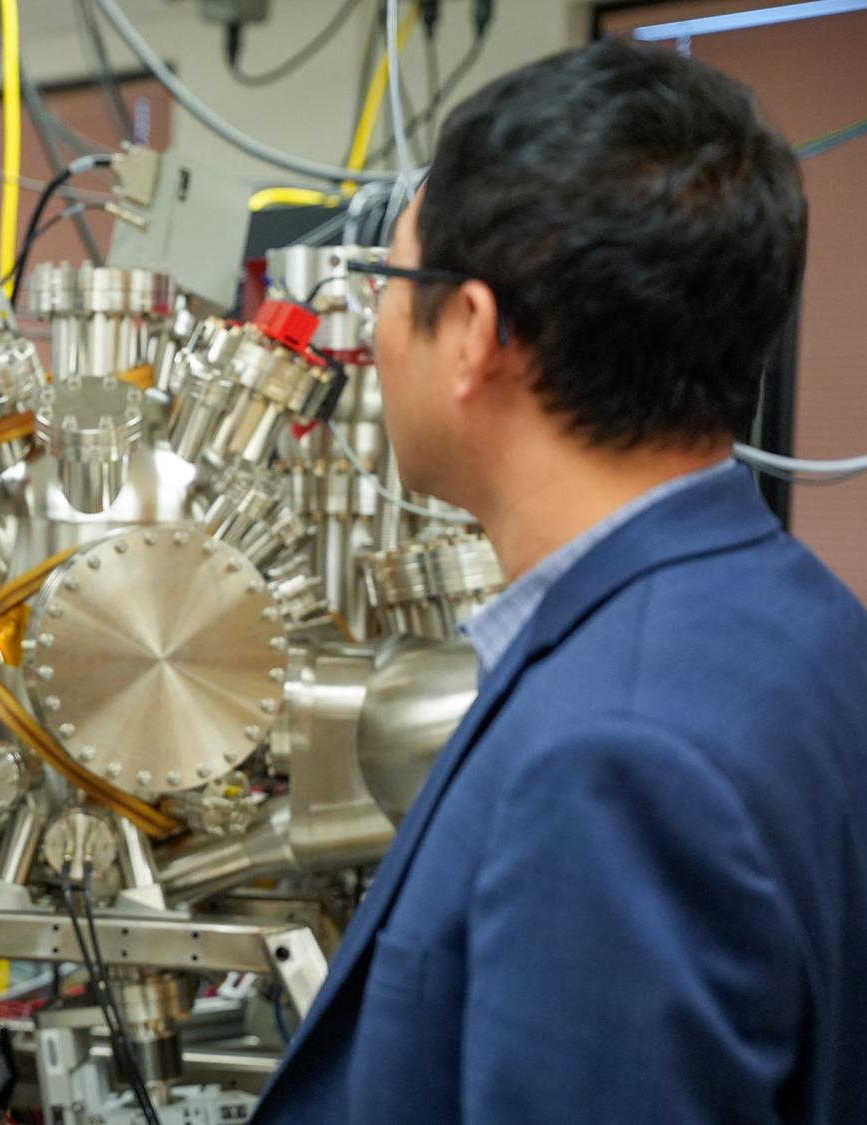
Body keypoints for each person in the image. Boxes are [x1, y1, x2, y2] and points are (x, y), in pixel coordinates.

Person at [251, 39, 867, 1125]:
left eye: (390, 285)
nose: (375, 331)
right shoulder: (808, 622)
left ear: (474, 335)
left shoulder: (612, 759)